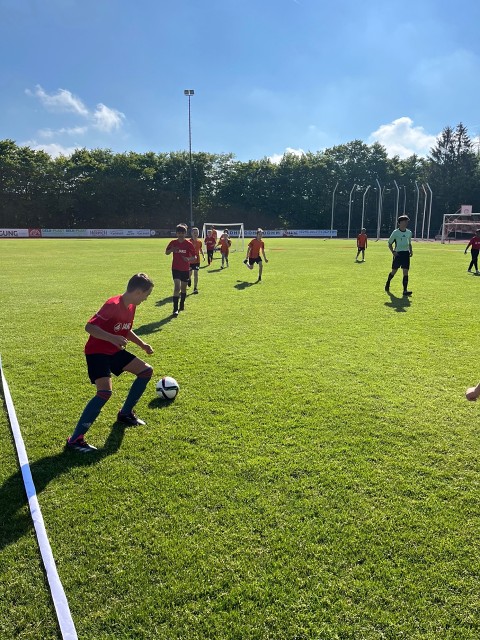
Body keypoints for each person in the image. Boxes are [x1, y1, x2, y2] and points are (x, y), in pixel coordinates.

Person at [66, 273, 155, 453]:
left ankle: (125, 414)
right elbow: (90, 327)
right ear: (138, 292)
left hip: (114, 352)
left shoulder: (131, 306)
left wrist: (142, 344)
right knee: (104, 392)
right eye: (146, 294)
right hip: (97, 353)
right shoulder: (112, 304)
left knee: (146, 371)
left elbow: (126, 329)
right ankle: (75, 439)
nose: (146, 299)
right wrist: (113, 338)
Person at [165, 223, 197, 316]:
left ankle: (182, 303)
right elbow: (166, 252)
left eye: (182, 233)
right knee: (177, 287)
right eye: (179, 233)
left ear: (185, 233)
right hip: (175, 268)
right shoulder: (173, 243)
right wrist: (172, 250)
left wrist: (188, 259)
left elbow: (194, 256)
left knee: (183, 289)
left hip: (185, 269)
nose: (180, 235)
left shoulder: (188, 244)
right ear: (176, 233)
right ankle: (175, 309)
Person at [385, 215, 413, 296]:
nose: (406, 223)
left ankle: (405, 290)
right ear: (400, 223)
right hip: (398, 254)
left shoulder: (409, 232)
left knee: (405, 272)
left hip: (406, 254)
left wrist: (411, 250)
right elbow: (389, 243)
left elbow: (409, 243)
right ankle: (388, 282)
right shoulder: (395, 232)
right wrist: (393, 252)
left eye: (407, 221)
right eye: (405, 221)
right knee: (394, 271)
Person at [189, 226, 205, 293]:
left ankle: (195, 288)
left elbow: (200, 249)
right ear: (191, 233)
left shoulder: (199, 242)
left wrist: (203, 255)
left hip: (197, 261)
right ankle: (189, 279)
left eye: (197, 233)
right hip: (189, 261)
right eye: (194, 232)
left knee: (196, 274)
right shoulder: (188, 242)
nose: (195, 234)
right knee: (189, 274)